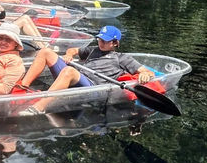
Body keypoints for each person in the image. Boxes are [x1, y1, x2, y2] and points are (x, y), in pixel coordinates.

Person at [17, 26, 155, 115]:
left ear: (115, 43)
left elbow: (148, 72)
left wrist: (144, 75)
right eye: (99, 39)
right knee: (45, 51)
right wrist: (69, 55)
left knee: (69, 71)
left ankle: (39, 108)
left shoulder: (122, 58)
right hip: (76, 77)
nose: (101, 42)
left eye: (105, 41)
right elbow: (73, 50)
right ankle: (22, 88)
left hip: (92, 88)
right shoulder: (93, 49)